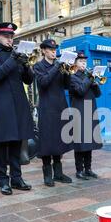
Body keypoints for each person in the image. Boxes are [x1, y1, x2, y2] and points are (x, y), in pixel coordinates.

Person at [0, 22, 34, 195]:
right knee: (2, 146)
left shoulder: (16, 54)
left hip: (18, 104)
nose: (10, 40)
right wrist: (13, 59)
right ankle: (3, 181)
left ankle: (17, 178)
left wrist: (26, 65)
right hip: (2, 106)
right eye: (6, 36)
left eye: (12, 37)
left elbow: (29, 80)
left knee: (16, 143)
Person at [33, 39, 73, 187]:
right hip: (47, 108)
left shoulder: (59, 66)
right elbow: (43, 82)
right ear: (43, 50)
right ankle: (47, 175)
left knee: (59, 140)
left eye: (55, 49)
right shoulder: (38, 66)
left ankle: (58, 173)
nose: (53, 52)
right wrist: (56, 66)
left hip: (60, 107)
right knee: (47, 142)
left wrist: (67, 71)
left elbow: (67, 86)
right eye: (50, 49)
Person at [69, 51, 103, 179]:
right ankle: (79, 170)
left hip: (90, 111)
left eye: (85, 61)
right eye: (81, 61)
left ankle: (88, 168)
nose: (84, 63)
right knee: (79, 143)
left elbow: (98, 94)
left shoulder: (89, 77)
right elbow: (80, 91)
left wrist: (95, 84)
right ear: (75, 63)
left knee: (89, 142)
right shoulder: (73, 77)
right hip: (79, 112)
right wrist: (90, 79)